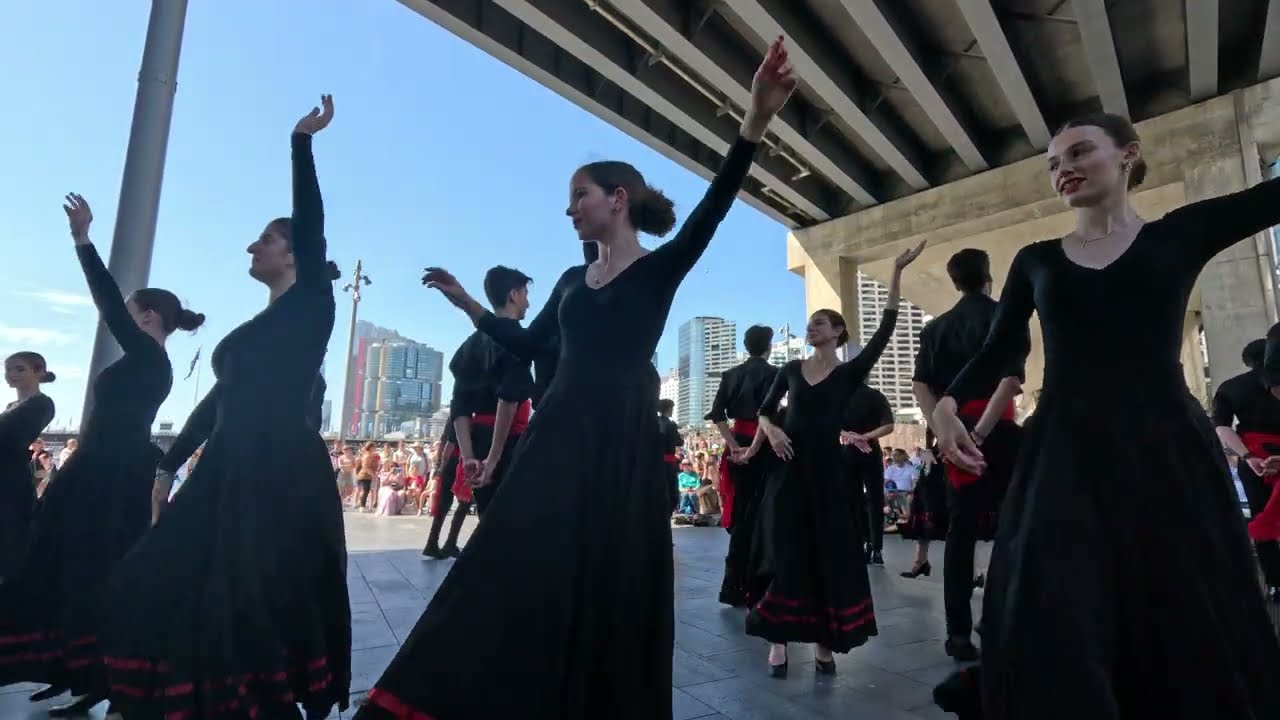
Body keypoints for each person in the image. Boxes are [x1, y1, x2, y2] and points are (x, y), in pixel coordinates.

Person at [356, 38, 796, 720]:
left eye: (578, 197)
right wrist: (468, 304)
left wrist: (756, 121)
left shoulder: (658, 271)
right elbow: (530, 344)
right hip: (556, 436)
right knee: (506, 560)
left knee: (609, 579)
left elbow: (714, 207)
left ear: (617, 200)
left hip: (619, 444)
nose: (569, 210)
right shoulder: (569, 280)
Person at [931, 112, 1280, 719]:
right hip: (1064, 449)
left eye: (1078, 152)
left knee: (1177, 592)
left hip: (1165, 445)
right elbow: (999, 349)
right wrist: (944, 404)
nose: (1062, 169)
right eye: (1053, 163)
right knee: (1061, 594)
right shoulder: (1036, 260)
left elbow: (1268, 198)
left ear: (1128, 154)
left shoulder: (1179, 234)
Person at [98, 96, 351, 720]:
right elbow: (215, 404)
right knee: (155, 577)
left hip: (275, 468)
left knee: (248, 596)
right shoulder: (256, 329)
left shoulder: (312, 305)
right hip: (228, 468)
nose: (251, 247)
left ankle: (250, 700)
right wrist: (168, 466)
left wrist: (301, 142)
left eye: (265, 239)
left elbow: (311, 221)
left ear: (294, 254)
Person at [0, 195, 204, 715]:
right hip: (102, 469)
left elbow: (108, 302)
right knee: (76, 569)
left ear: (148, 317)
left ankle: (98, 676)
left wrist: (82, 240)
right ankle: (79, 671)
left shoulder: (149, 356)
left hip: (109, 474)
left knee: (85, 568)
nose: (123, 320)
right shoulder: (150, 362)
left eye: (133, 314)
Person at [743, 243, 924, 676]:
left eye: (820, 322)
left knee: (829, 555)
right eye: (809, 323)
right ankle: (778, 641)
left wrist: (896, 273)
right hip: (789, 471)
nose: (811, 327)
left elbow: (885, 330)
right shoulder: (790, 370)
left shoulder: (848, 374)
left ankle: (825, 643)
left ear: (838, 332)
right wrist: (773, 431)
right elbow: (764, 412)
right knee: (784, 550)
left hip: (829, 474)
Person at [913, 247, 1026, 661]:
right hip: (999, 431)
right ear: (988, 277)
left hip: (953, 435)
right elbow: (1010, 382)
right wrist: (979, 433)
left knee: (960, 533)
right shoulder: (1006, 316)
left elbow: (921, 386)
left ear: (954, 282)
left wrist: (947, 432)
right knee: (1014, 528)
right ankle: (999, 619)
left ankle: (957, 634)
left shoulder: (935, 328)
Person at [449, 265, 536, 518]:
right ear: (514, 295)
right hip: (510, 444)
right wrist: (493, 459)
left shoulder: (470, 345)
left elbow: (460, 406)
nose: (528, 303)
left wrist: (468, 457)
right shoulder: (516, 340)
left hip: (478, 442)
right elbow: (508, 398)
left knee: (487, 518)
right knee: (513, 523)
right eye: (525, 294)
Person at [706, 324, 778, 606]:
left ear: (747, 346)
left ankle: (732, 586)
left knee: (741, 510)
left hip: (737, 443)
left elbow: (717, 413)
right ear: (768, 346)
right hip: (764, 444)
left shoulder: (731, 375)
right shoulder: (775, 374)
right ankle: (757, 584)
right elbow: (768, 416)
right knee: (763, 512)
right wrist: (755, 446)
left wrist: (734, 444)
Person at [1211, 337, 1280, 602]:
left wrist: (1248, 457)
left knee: (1262, 522)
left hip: (1255, 461)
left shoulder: (1231, 387)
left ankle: (1275, 583)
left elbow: (1221, 427)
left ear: (1248, 361)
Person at [0, 352, 56, 581]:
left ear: (38, 372)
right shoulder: (12, 405)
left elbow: (9, 434)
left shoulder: (41, 404)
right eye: (8, 369)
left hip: (10, 483)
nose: (11, 374)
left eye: (20, 369)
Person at [840, 381, 894, 566]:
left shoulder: (841, 396)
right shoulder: (876, 396)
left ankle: (860, 543)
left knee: (853, 500)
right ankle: (876, 548)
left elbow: (831, 423)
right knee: (875, 500)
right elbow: (889, 426)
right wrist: (865, 437)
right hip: (871, 450)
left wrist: (851, 436)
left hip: (848, 451)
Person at [422, 423, 469, 558]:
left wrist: (441, 466)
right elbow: (450, 445)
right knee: (465, 502)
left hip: (450, 463)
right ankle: (450, 542)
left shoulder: (452, 422)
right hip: (459, 462)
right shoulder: (463, 419)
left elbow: (447, 444)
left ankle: (433, 542)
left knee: (444, 504)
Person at [657, 398, 683, 512]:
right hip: (668, 462)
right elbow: (679, 442)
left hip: (656, 462)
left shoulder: (654, 422)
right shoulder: (671, 424)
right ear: (668, 409)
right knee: (671, 490)